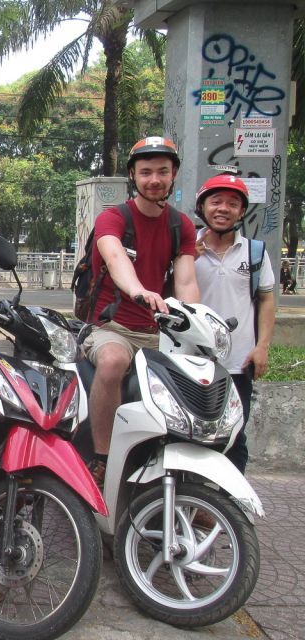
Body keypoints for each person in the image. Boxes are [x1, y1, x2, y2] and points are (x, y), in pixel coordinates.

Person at [83, 136, 200, 486]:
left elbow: (187, 282)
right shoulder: (112, 218)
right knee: (113, 362)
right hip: (111, 327)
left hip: (157, 334)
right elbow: (114, 255)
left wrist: (195, 320)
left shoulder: (182, 227)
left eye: (162, 171)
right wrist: (137, 290)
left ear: (173, 175)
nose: (154, 179)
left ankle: (190, 479)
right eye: (146, 171)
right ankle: (102, 459)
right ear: (133, 175)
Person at [194, 174, 275, 474]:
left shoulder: (255, 253)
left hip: (237, 363)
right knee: (191, 434)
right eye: (215, 201)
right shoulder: (186, 248)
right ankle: (194, 501)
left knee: (235, 436)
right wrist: (186, 258)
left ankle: (230, 505)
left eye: (233, 203)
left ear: (242, 211)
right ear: (202, 207)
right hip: (192, 361)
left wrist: (262, 346)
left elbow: (265, 300)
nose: (223, 208)